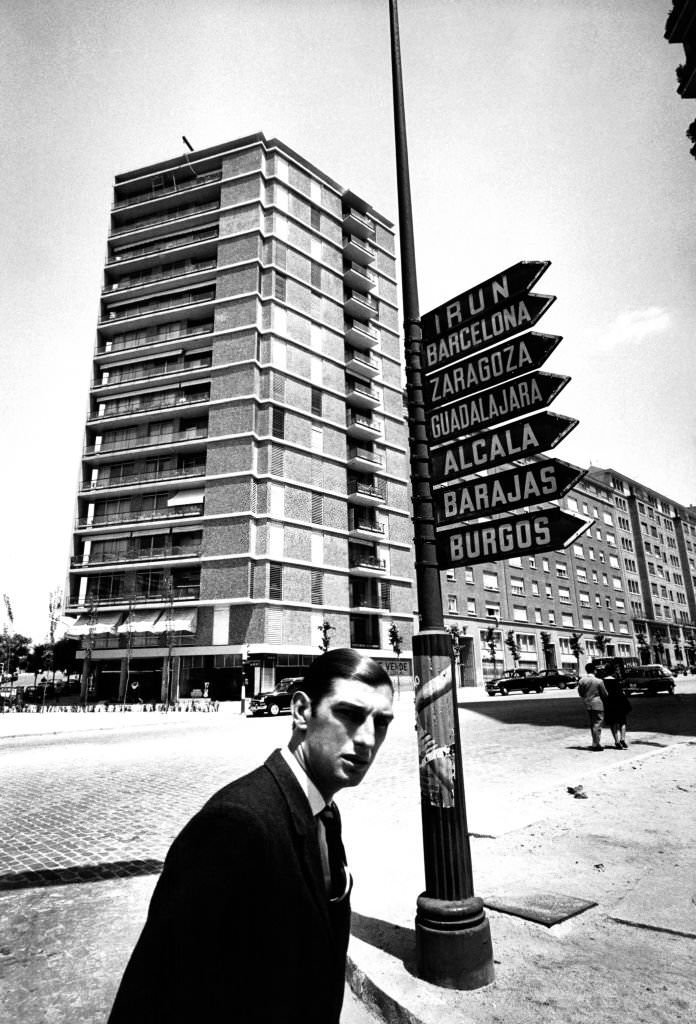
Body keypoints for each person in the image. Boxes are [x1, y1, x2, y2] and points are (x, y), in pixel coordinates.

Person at [107, 648, 394, 1024]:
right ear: (302, 711)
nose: (369, 739)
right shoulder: (236, 825)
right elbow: (156, 994)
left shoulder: (323, 810)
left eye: (382, 722)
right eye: (350, 715)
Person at [577, 662, 608, 751]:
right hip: (598, 704)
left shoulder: (582, 680)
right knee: (598, 723)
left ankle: (594, 742)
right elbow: (605, 694)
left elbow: (581, 693)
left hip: (588, 703)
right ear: (594, 670)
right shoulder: (599, 681)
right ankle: (596, 743)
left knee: (593, 723)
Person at [602, 674, 632, 749]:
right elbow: (622, 693)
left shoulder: (603, 682)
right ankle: (622, 739)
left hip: (610, 703)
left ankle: (616, 741)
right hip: (620, 703)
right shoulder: (617, 681)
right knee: (623, 722)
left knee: (613, 723)